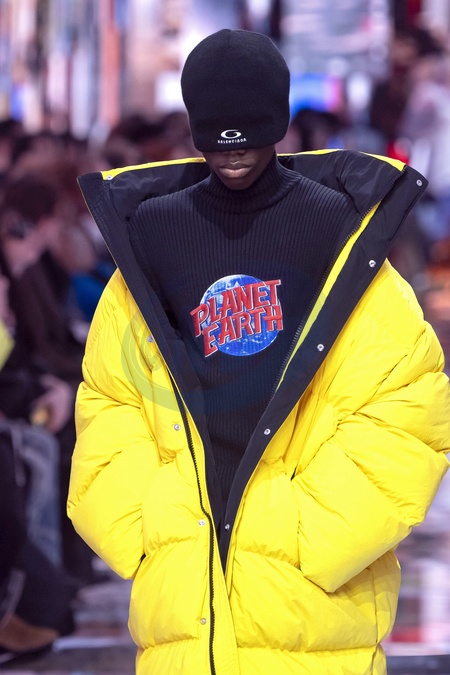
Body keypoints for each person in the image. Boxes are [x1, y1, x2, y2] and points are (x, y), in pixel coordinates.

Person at [68, 29, 450, 675]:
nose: (234, 152)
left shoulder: (340, 231)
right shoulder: (154, 234)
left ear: (278, 121)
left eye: (250, 133)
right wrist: (149, 522)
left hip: (312, 604)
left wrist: (299, 533)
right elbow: (113, 393)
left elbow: (403, 400)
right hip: (186, 591)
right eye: (218, 137)